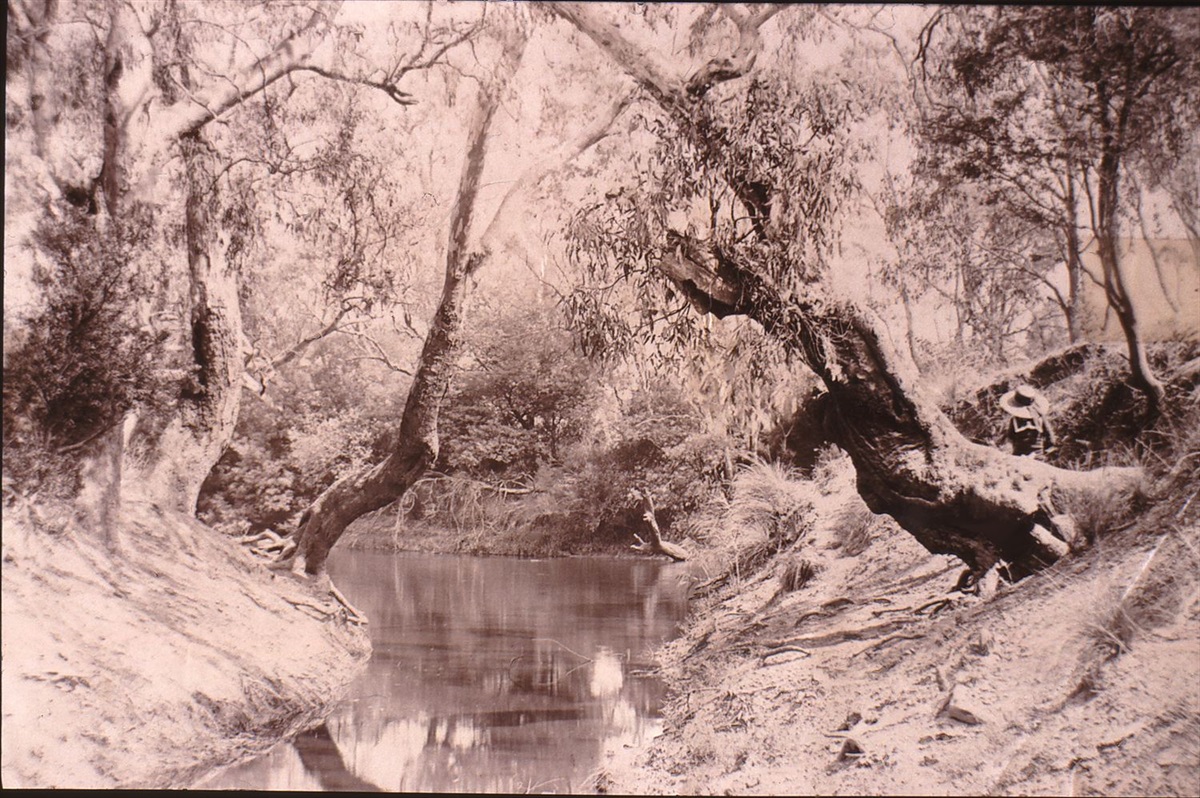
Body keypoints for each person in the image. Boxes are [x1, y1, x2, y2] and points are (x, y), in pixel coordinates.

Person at [999, 384, 1056, 457]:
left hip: (1019, 454)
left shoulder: (1015, 420)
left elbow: (1010, 437)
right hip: (1037, 455)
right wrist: (1046, 450)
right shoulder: (1040, 418)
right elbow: (1050, 438)